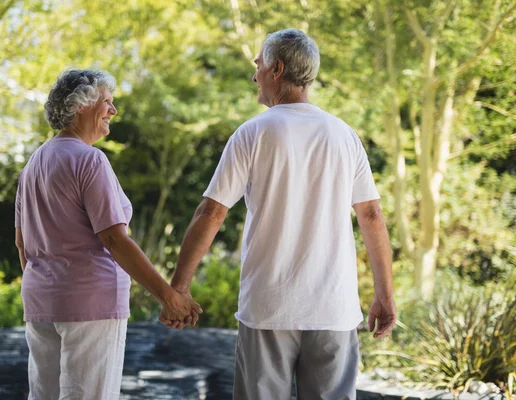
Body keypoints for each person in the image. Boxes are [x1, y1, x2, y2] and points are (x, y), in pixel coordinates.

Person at [160, 29, 396, 399]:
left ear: (277, 68)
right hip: (333, 308)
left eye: (258, 65)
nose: (254, 75)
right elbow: (372, 216)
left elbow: (211, 212)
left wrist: (179, 288)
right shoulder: (344, 135)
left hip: (269, 308)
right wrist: (385, 294)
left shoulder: (253, 133)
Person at [15, 69, 201, 400]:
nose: (113, 111)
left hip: (41, 302)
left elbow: (22, 243)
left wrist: (47, 288)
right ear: (80, 106)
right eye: (107, 102)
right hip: (92, 306)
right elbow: (114, 240)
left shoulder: (33, 164)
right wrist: (169, 298)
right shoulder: (90, 160)